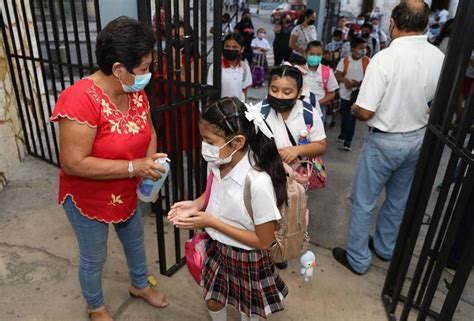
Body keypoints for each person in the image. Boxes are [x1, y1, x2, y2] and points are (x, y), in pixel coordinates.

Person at [49, 17, 169, 321]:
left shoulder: (133, 89)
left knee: (135, 241)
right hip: (89, 197)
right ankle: (95, 306)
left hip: (127, 190)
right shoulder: (79, 99)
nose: (148, 75)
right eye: (143, 68)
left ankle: (139, 284)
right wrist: (135, 167)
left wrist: (150, 171)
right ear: (118, 69)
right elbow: (73, 162)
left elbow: (149, 132)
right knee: (94, 256)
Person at [332, 1, 445, 275]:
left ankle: (358, 259)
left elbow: (367, 111)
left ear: (393, 22)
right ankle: (384, 248)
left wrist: (357, 108)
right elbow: (437, 101)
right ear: (425, 24)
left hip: (384, 141)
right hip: (417, 138)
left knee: (363, 201)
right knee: (397, 200)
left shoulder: (385, 59)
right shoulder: (438, 57)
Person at [168, 97, 289, 321]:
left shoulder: (258, 182)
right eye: (202, 139)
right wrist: (197, 203)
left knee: (248, 310)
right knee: (213, 298)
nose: (204, 146)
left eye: (209, 141)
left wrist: (210, 222)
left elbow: (263, 241)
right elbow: (215, 189)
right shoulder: (218, 160)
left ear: (238, 142)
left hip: (247, 257)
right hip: (219, 249)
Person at [261, 65, 327, 166]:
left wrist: (297, 150)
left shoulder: (309, 114)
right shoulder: (258, 112)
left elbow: (321, 146)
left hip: (298, 176)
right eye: (274, 90)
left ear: (299, 93)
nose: (279, 96)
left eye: (287, 93)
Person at [335, 37, 370, 151]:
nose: (363, 51)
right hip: (345, 94)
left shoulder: (367, 61)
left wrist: (358, 83)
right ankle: (343, 132)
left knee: (352, 116)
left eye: (365, 48)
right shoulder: (345, 61)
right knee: (344, 116)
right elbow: (338, 75)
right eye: (361, 48)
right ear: (353, 49)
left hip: (358, 94)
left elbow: (371, 78)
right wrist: (345, 81)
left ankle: (348, 141)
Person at [207, 33, 252, 102]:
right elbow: (210, 92)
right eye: (227, 46)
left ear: (242, 49)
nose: (230, 49)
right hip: (221, 109)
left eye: (234, 47)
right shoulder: (215, 67)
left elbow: (244, 90)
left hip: (238, 108)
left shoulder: (245, 67)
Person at [304, 41, 339, 124]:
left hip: (319, 107)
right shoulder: (299, 70)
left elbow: (332, 93)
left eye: (318, 54)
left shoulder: (327, 72)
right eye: (312, 54)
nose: (315, 57)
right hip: (300, 107)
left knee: (316, 133)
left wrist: (318, 103)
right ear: (306, 54)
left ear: (322, 55)